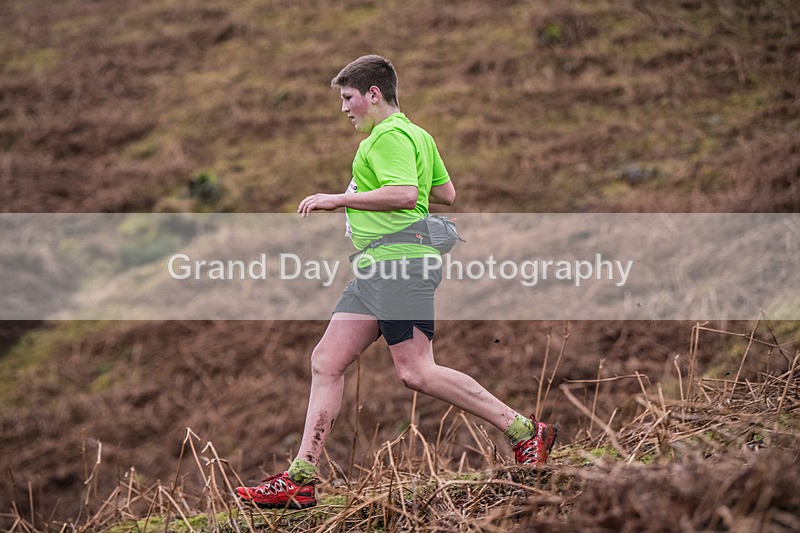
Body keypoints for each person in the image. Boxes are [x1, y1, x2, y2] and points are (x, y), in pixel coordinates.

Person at [235, 55, 556, 509]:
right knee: (326, 360)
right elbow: (444, 194)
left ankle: (524, 430)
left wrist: (338, 199)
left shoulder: (386, 136)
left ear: (373, 94)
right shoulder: (418, 135)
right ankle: (301, 479)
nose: (344, 109)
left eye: (348, 98)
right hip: (376, 267)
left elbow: (405, 194)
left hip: (399, 264)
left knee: (417, 371)